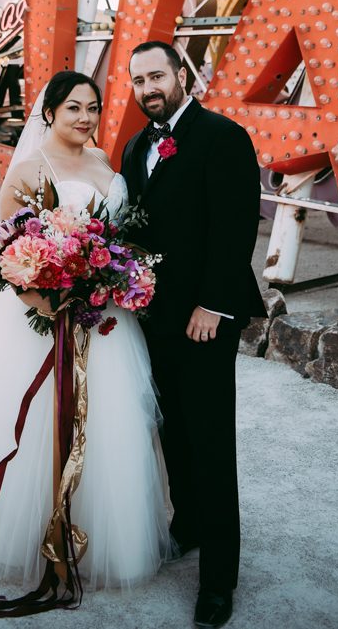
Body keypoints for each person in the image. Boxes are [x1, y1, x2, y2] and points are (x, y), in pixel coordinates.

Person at [0, 70, 169, 594]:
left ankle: (99, 536)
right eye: (73, 108)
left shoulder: (103, 163)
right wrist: (48, 292)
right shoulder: (28, 169)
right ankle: (29, 539)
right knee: (40, 423)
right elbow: (8, 253)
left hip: (106, 321)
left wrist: (115, 273)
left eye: (92, 108)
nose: (85, 118)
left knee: (109, 425)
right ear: (49, 112)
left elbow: (118, 236)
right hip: (42, 322)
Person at [121, 41, 266, 629]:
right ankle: (189, 525)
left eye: (157, 75)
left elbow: (235, 228)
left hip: (205, 319)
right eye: (137, 80)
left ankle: (218, 582)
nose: (147, 87)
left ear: (182, 73)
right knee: (170, 430)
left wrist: (212, 303)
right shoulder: (135, 147)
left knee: (209, 442)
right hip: (151, 316)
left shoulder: (223, 136)